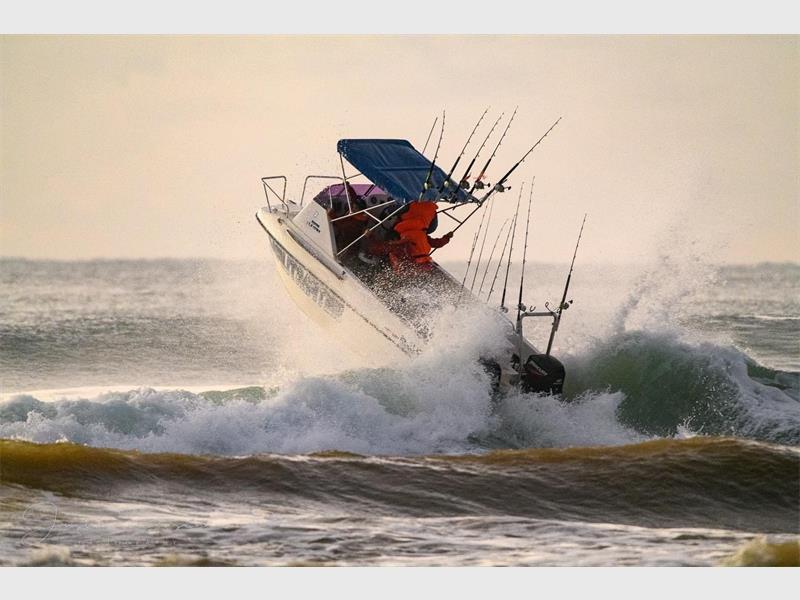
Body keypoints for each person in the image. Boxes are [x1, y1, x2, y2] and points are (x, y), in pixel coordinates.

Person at [388, 200, 452, 272]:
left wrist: (447, 237)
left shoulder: (425, 247)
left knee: (431, 229)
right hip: (408, 214)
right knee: (390, 234)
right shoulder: (408, 252)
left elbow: (437, 243)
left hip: (428, 209)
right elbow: (396, 245)